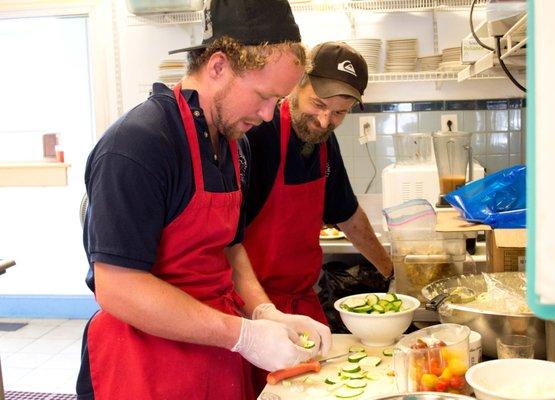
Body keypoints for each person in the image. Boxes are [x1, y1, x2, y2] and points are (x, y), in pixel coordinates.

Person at [76, 1, 331, 399]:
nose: (268, 115)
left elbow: (231, 248)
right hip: (143, 369)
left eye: (277, 102)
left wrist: (265, 312)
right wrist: (243, 335)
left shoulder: (234, 144)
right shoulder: (138, 145)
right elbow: (117, 287)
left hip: (212, 359)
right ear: (217, 67)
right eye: (263, 97)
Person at [238, 41, 394, 393]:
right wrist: (261, 314)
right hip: (255, 311)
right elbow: (226, 242)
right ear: (298, 83)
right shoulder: (259, 135)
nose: (326, 120)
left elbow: (347, 214)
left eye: (339, 113)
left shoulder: (324, 140)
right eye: (319, 105)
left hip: (303, 305)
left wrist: (390, 269)